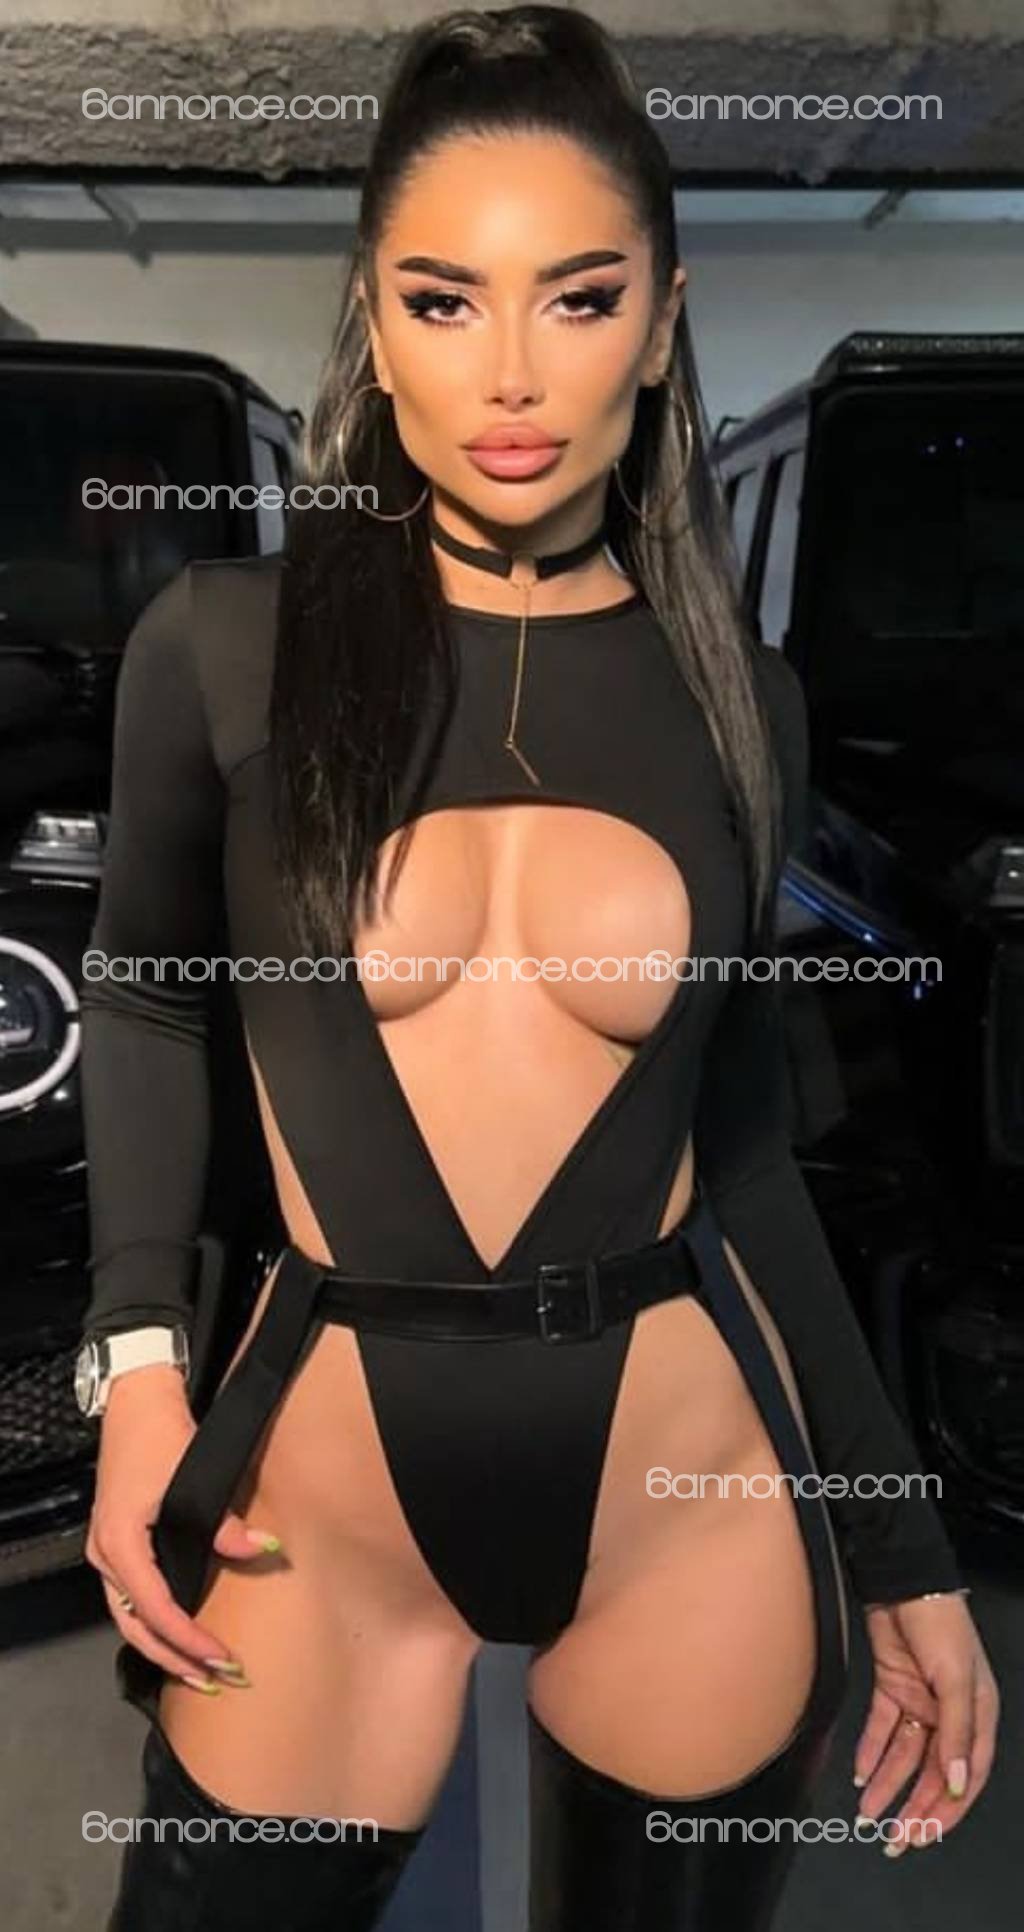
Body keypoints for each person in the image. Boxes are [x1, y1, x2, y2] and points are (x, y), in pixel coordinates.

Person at [74, 8, 999, 1928]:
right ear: (374, 318)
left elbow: (748, 1156)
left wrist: (898, 1542)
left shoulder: (738, 699)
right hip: (322, 1487)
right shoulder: (227, 647)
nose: (510, 372)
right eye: (443, 300)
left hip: (687, 1493)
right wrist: (139, 1368)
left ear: (659, 325)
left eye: (579, 300)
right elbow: (150, 994)